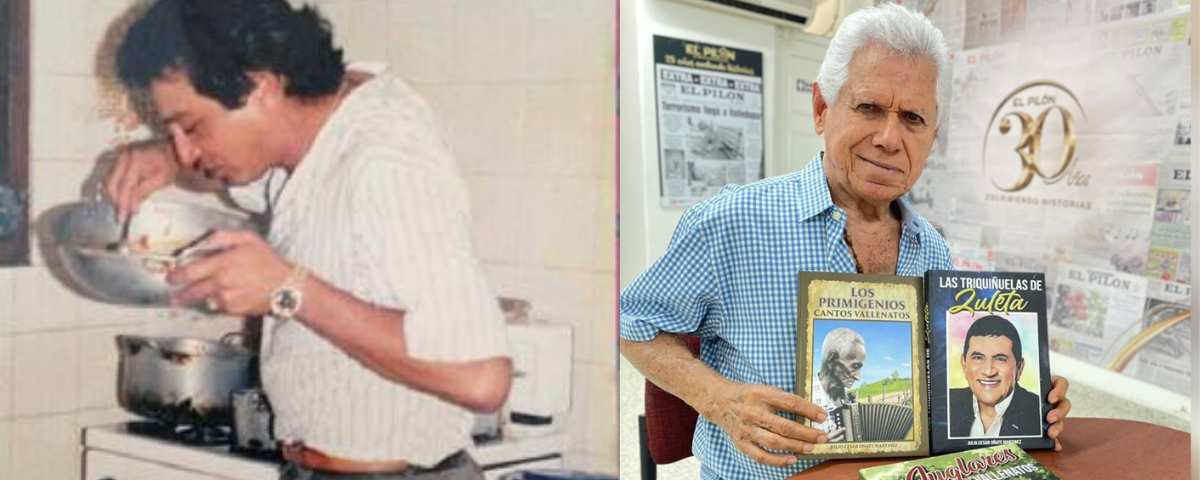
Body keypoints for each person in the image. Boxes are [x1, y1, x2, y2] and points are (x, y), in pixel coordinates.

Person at [619, 4, 1071, 479]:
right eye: (869, 107)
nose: (889, 138)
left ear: (931, 138)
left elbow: (943, 384)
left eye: (913, 118)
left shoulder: (932, 248)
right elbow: (632, 324)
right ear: (821, 109)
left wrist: (1029, 400)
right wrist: (718, 399)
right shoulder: (731, 222)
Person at [104, 0, 511, 478]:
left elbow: (480, 376)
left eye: (191, 126)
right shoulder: (313, 136)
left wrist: (288, 290)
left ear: (260, 87)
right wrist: (168, 158)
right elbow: (241, 173)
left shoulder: (385, 161)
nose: (187, 150)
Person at [948, 315, 1043, 438]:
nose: (988, 371)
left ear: (1019, 368)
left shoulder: (1040, 412)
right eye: (978, 358)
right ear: (964, 364)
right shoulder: (945, 403)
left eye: (1000, 359)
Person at [810, 328, 865, 442]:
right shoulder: (806, 398)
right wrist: (821, 447)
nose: (858, 377)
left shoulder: (848, 401)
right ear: (832, 360)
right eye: (855, 366)